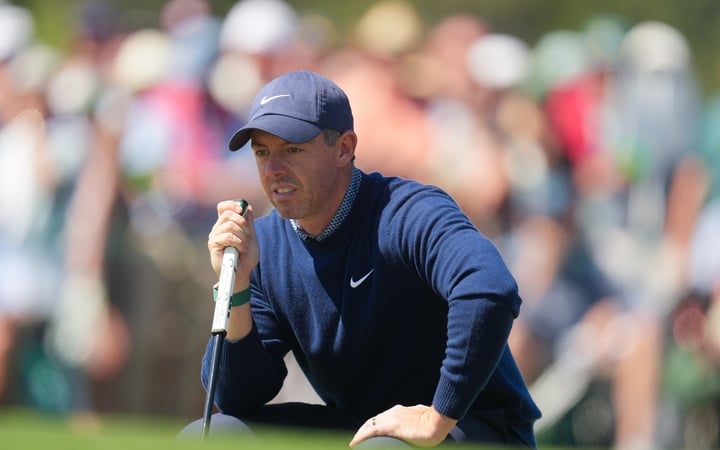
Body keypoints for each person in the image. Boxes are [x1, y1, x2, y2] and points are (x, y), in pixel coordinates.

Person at [182, 70, 541, 448]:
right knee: (207, 439)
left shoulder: (408, 212)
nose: (273, 169)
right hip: (362, 427)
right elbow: (238, 397)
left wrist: (438, 415)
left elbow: (489, 288)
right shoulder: (264, 246)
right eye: (262, 152)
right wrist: (237, 288)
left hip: (474, 428)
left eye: (292, 149)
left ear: (344, 148)